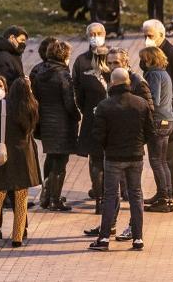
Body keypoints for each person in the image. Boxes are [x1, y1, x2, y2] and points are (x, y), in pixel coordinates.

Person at [89, 67, 153, 252]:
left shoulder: (104, 106)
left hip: (113, 157)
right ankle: (138, 238)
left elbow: (98, 134)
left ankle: (104, 239)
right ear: (128, 82)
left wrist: (108, 146)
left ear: (112, 83)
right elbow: (150, 131)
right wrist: (139, 144)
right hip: (135, 155)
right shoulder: (141, 103)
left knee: (110, 196)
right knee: (136, 195)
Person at [0, 75, 41, 248]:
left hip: (4, 155)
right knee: (21, 197)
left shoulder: (2, 105)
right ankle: (18, 237)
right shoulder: (33, 106)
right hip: (24, 157)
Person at [140, 20, 173, 208]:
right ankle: (164, 191)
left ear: (161, 35)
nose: (147, 39)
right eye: (145, 35)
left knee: (171, 155)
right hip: (165, 110)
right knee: (161, 157)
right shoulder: (150, 55)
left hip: (171, 110)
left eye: (150, 36)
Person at [31, 40, 79, 211]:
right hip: (62, 124)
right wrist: (77, 115)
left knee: (51, 158)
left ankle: (45, 196)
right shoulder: (63, 75)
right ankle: (54, 199)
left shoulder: (38, 71)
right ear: (65, 56)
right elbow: (69, 102)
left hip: (45, 122)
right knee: (60, 162)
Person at [73, 23, 111, 205]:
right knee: (95, 157)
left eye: (99, 33)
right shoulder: (81, 61)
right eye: (92, 34)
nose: (96, 36)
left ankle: (112, 192)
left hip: (113, 117)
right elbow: (77, 89)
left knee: (112, 158)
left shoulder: (112, 56)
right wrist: (85, 109)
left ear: (105, 34)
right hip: (92, 117)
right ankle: (99, 194)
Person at [139, 46, 173, 213]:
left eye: (143, 59)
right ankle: (165, 195)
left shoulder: (153, 74)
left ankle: (163, 199)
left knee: (156, 161)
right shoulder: (164, 73)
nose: (141, 62)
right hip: (168, 120)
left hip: (158, 120)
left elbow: (154, 99)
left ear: (149, 60)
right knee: (162, 161)